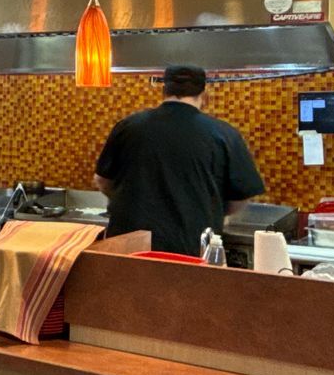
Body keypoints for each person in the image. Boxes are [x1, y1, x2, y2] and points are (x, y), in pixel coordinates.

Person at [93, 63, 265, 256]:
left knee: (128, 286)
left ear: (164, 90)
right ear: (204, 93)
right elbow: (241, 196)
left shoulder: (128, 126)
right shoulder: (224, 134)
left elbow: (102, 180)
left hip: (130, 248)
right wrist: (211, 209)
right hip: (189, 249)